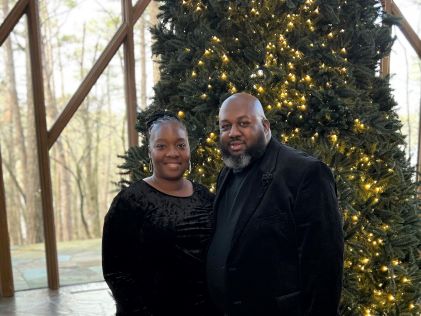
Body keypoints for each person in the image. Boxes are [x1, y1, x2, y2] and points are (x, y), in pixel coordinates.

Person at [207, 92, 344, 315]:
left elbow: (324, 269)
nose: (233, 133)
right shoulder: (226, 174)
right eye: (225, 126)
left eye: (243, 123)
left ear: (265, 126)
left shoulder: (305, 173)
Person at [102, 112, 216, 316]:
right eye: (161, 146)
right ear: (150, 152)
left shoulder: (205, 197)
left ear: (189, 149)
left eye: (180, 145)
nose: (172, 152)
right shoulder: (130, 201)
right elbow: (116, 271)